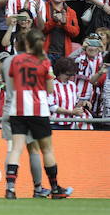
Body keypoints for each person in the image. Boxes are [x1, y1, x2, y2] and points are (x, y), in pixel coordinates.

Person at [4, 29, 70, 199]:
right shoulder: (45, 62)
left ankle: (10, 189)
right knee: (46, 149)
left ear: (27, 43)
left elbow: (12, 82)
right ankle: (55, 188)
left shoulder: (16, 60)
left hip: (18, 108)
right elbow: (49, 89)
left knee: (16, 148)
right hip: (38, 109)